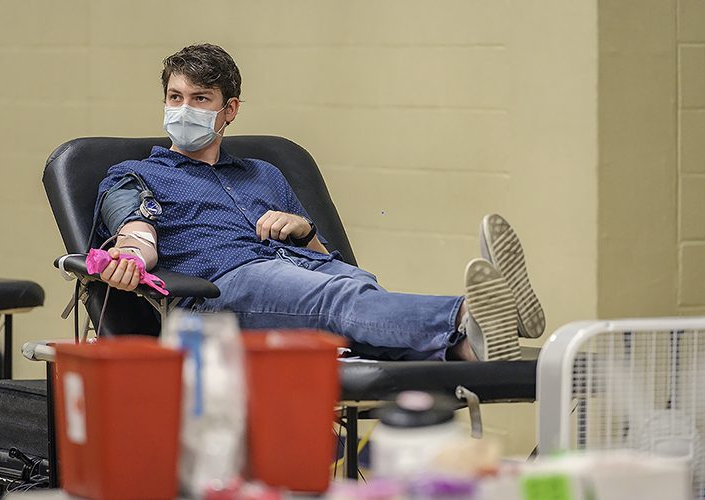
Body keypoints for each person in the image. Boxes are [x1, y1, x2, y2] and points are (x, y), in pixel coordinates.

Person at [93, 43, 545, 361]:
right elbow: (136, 232)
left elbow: (326, 260)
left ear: (229, 110)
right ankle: (472, 313)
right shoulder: (136, 174)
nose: (184, 109)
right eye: (176, 97)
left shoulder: (264, 173)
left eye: (200, 99)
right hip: (220, 292)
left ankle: (469, 348)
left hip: (300, 273)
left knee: (357, 286)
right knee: (338, 299)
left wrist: (304, 231)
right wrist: (129, 256)